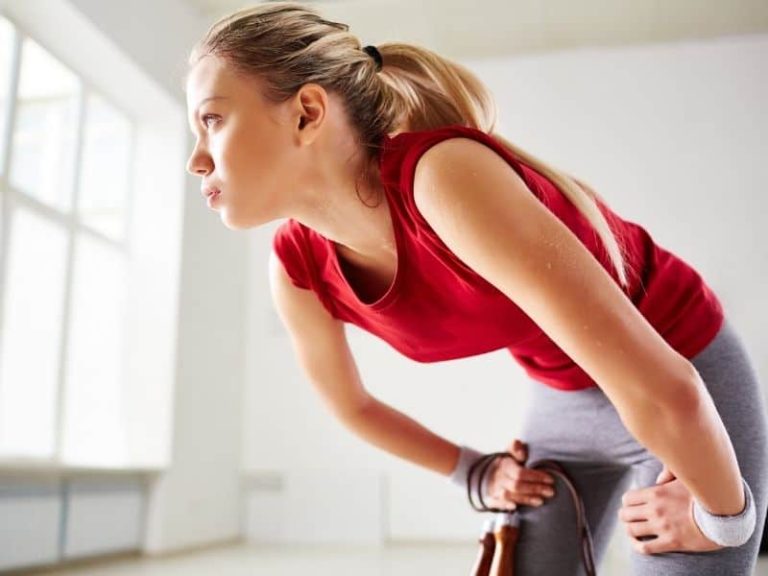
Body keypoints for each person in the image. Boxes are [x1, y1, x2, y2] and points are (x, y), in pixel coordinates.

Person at [183, 2, 767, 574]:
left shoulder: (442, 177)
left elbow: (667, 389)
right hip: (561, 399)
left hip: (676, 370)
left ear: (307, 112)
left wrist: (726, 519)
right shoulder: (295, 269)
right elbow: (352, 405)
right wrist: (475, 471)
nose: (196, 160)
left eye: (212, 119)